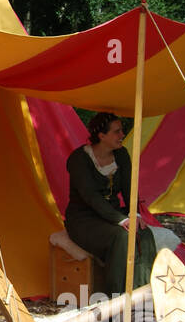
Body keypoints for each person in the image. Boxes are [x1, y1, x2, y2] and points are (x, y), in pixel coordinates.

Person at [64, 112, 158, 295]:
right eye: (117, 131)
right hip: (84, 220)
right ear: (101, 136)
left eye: (121, 131)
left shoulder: (121, 154)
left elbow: (130, 188)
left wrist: (134, 214)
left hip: (113, 215)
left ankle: (144, 294)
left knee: (144, 232)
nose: (122, 135)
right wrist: (120, 220)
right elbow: (90, 197)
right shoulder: (79, 159)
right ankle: (118, 297)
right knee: (122, 237)